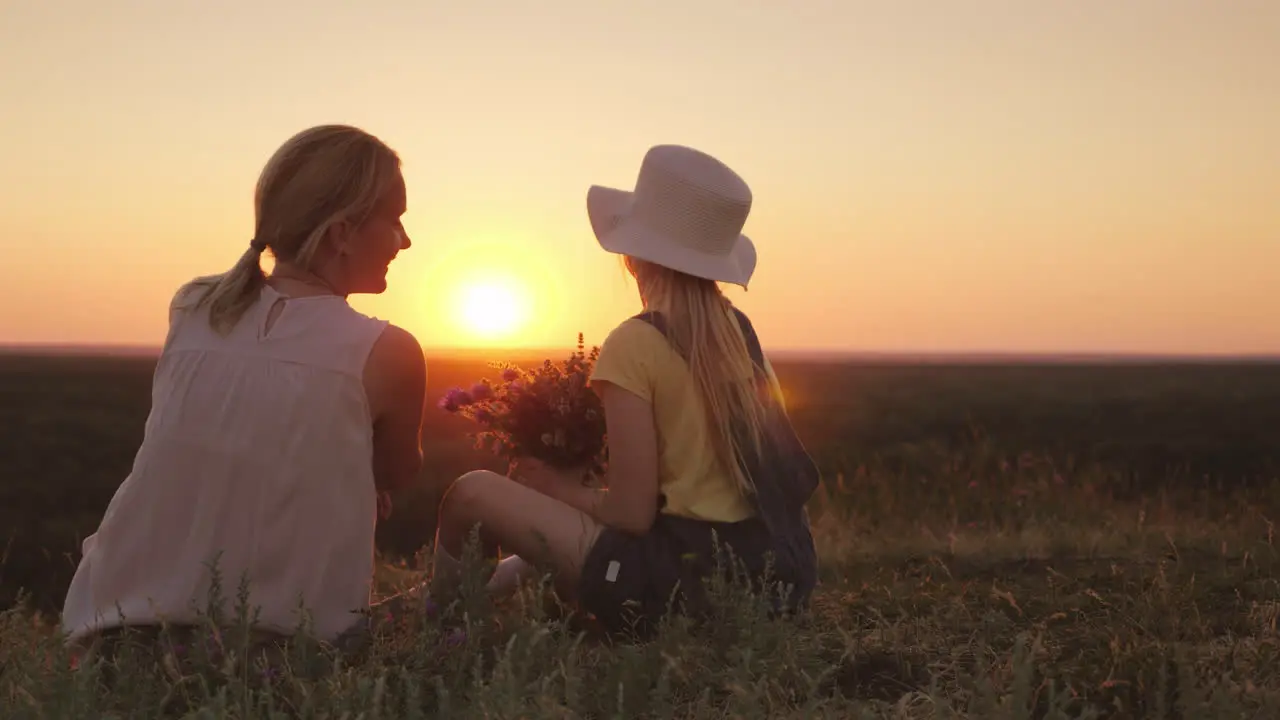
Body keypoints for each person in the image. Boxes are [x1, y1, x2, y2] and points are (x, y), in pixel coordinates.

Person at [60, 125, 426, 652]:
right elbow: (395, 472)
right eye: (395, 220)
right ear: (342, 233)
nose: (406, 240)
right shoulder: (386, 351)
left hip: (110, 636)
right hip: (273, 652)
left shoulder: (195, 307)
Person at [431, 144, 821, 635]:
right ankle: (459, 596)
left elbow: (631, 515)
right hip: (775, 584)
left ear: (634, 257)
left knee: (472, 493)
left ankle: (440, 622)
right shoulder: (737, 332)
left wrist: (557, 487)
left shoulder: (635, 343)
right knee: (580, 533)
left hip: (674, 586)